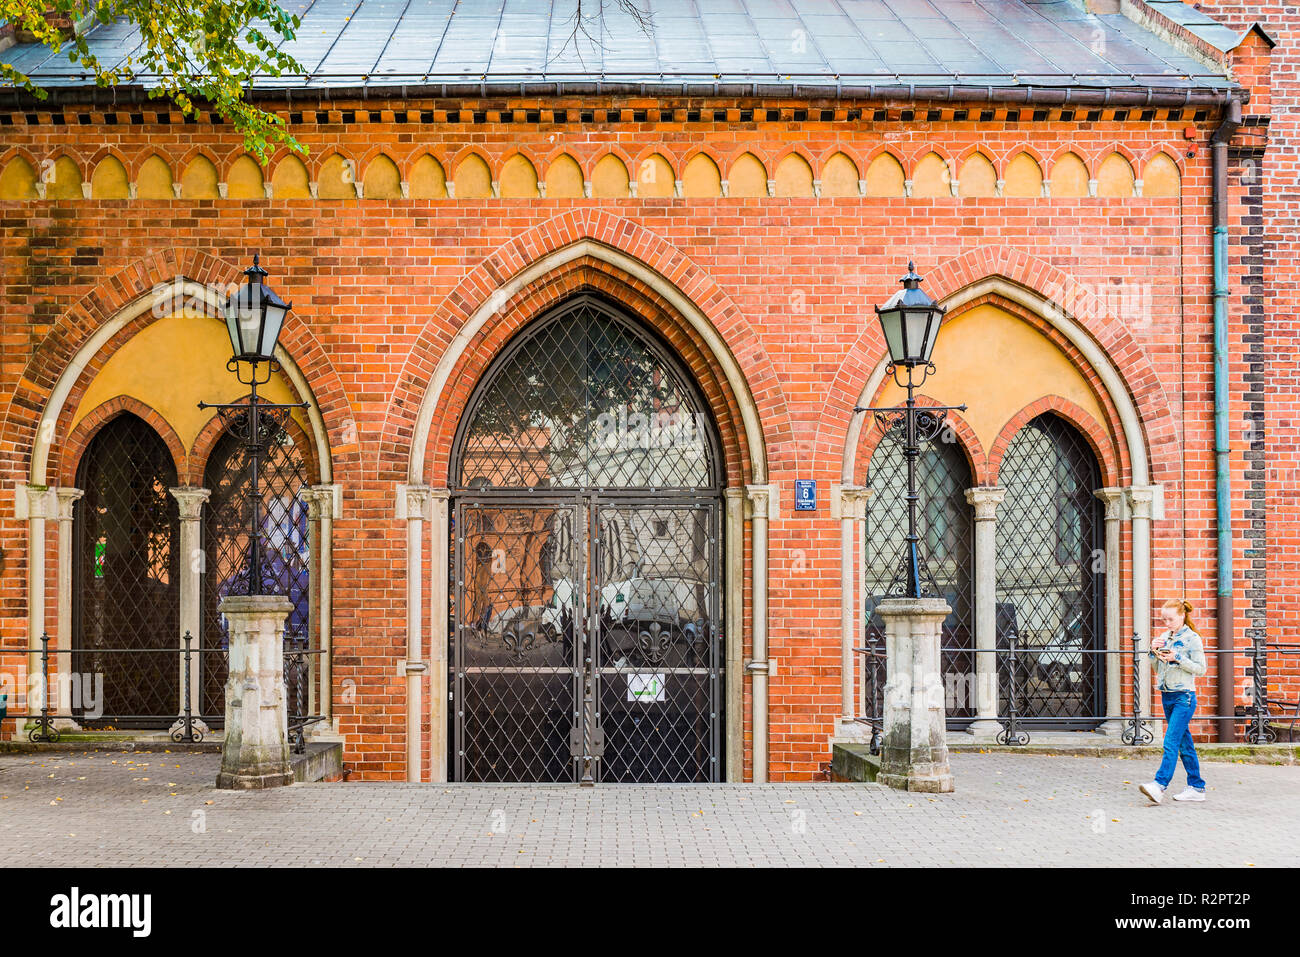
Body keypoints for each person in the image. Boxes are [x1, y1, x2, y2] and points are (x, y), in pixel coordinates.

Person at [1139, 599, 1208, 804]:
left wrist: (1177, 657)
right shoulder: (1164, 637)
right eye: (1164, 619)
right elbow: (1158, 669)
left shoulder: (1193, 639)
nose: (1166, 623)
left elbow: (1201, 669)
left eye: (1170, 619)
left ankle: (1159, 785)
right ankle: (1196, 786)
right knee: (1184, 742)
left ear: (1182, 616)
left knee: (1170, 741)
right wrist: (1152, 651)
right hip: (1167, 695)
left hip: (1184, 697)